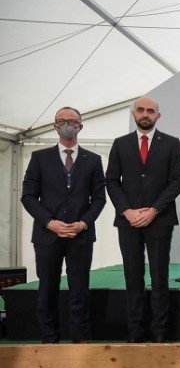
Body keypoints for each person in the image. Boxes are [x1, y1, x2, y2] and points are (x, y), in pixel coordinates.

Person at [21, 107, 106, 343]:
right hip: (47, 235)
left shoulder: (93, 160)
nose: (67, 124)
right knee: (48, 287)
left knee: (79, 288)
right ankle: (49, 337)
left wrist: (84, 223)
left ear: (80, 126)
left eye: (72, 121)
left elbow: (99, 198)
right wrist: (49, 222)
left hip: (81, 235)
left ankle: (79, 337)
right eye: (62, 120)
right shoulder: (39, 158)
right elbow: (28, 196)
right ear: (55, 125)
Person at [105, 96, 180, 343]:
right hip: (128, 221)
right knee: (133, 276)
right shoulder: (121, 144)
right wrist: (126, 211)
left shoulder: (171, 143)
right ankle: (135, 331)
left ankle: (159, 332)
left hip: (159, 220)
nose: (145, 114)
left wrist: (154, 210)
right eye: (140, 110)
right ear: (134, 114)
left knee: (159, 276)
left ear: (158, 116)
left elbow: (177, 180)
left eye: (150, 111)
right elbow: (111, 181)